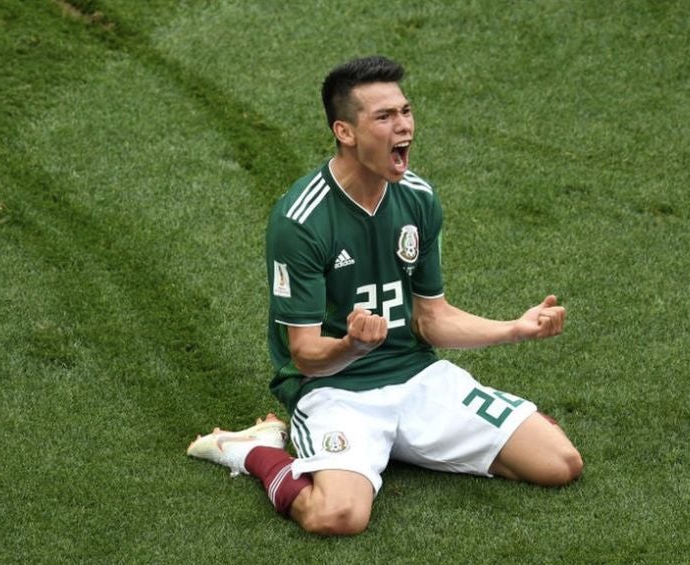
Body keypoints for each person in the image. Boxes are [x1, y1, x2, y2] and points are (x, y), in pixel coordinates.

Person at [187, 55, 582, 536]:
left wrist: (514, 329)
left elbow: (429, 319)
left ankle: (386, 447)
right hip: (336, 391)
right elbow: (305, 356)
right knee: (337, 517)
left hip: (415, 377)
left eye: (406, 111)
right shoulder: (301, 220)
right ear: (345, 132)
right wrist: (352, 345)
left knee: (561, 463)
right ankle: (257, 450)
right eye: (385, 117)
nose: (404, 126)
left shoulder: (418, 197)